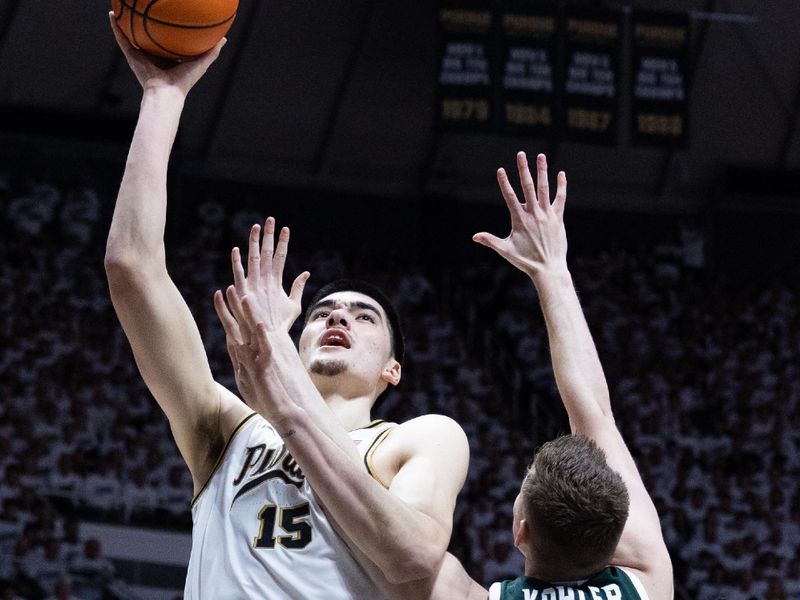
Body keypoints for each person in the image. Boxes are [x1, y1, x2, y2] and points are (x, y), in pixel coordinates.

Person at [104, 14, 468, 599]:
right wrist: (162, 99)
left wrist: (291, 406)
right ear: (290, 345)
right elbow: (131, 268)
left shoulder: (418, 438)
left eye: (363, 315)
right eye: (322, 313)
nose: (339, 317)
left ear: (391, 371)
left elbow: (415, 560)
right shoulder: (226, 429)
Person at [423, 152, 673, 599]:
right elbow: (592, 408)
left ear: (520, 533)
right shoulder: (649, 584)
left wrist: (550, 268)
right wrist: (552, 270)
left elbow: (396, 547)